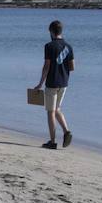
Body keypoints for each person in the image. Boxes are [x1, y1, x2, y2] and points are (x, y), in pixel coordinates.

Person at [33, 19, 74, 149]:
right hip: (64, 83)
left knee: (50, 112)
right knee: (57, 109)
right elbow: (72, 67)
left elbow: (46, 67)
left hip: (52, 83)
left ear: (51, 32)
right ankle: (66, 131)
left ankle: (52, 141)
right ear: (61, 31)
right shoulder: (68, 47)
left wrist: (40, 84)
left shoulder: (49, 46)